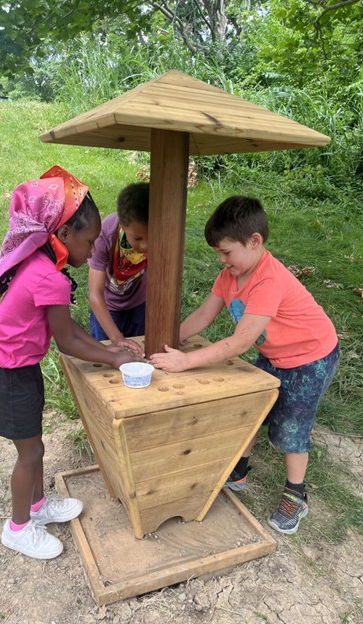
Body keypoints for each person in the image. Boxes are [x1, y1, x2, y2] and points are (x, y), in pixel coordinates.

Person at [0, 166, 139, 559]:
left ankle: (37, 507)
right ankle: (18, 528)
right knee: (29, 453)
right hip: (6, 374)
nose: (92, 248)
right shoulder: (50, 278)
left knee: (36, 447)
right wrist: (112, 358)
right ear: (63, 234)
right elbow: (67, 342)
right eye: (89, 240)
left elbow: (71, 329)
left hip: (17, 367)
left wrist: (113, 351)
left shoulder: (45, 266)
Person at [150, 196, 340, 535]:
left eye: (226, 252)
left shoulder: (268, 280)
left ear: (255, 241)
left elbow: (240, 342)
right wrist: (169, 341)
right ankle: (238, 469)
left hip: (311, 358)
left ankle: (296, 494)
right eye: (218, 253)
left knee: (290, 428)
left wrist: (187, 361)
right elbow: (204, 315)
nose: (222, 260)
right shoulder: (229, 275)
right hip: (276, 355)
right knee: (251, 409)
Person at [88, 182, 149, 355]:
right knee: (107, 354)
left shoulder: (162, 236)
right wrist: (116, 337)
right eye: (137, 238)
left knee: (139, 353)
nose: (145, 245)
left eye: (151, 237)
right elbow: (95, 294)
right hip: (107, 306)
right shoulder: (104, 236)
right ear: (122, 224)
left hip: (139, 303)